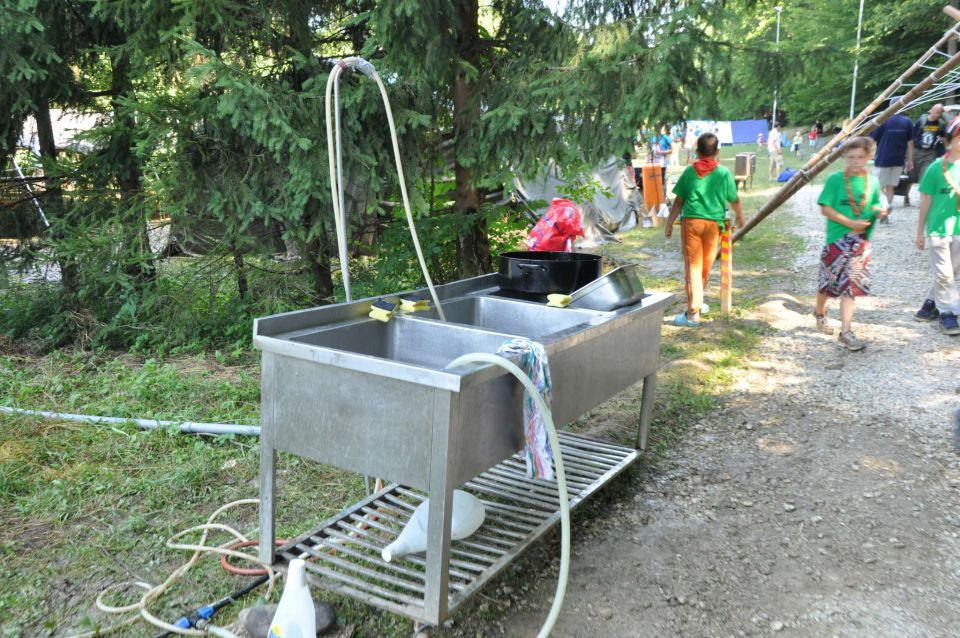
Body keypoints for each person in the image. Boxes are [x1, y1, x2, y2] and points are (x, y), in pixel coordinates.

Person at [813, 136, 887, 351]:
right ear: (844, 156)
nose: (855, 161)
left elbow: (874, 203)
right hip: (836, 240)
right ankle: (819, 311)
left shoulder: (872, 181)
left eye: (860, 157)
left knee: (851, 287)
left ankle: (846, 331)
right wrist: (849, 222)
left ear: (869, 157)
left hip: (860, 243)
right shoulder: (836, 179)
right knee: (827, 284)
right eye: (851, 157)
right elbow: (825, 208)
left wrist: (879, 211)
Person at [664, 132, 746, 327]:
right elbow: (734, 199)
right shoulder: (724, 173)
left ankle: (693, 312)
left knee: (693, 266)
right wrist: (740, 216)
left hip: (691, 223)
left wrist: (669, 223)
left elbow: (678, 201)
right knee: (704, 266)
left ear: (697, 151)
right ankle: (695, 305)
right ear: (717, 151)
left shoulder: (689, 171)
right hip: (713, 225)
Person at [914, 115, 960, 335]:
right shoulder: (935, 168)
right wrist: (920, 232)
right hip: (938, 229)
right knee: (945, 274)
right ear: (948, 141)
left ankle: (930, 305)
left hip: (959, 230)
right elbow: (925, 201)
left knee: (950, 272)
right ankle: (948, 314)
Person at [870, 97, 914, 219]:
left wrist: (870, 155)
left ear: (890, 106)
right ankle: (886, 213)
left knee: (877, 185)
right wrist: (909, 160)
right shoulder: (907, 122)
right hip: (899, 160)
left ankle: (884, 207)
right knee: (890, 187)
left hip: (883, 159)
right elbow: (910, 142)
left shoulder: (882, 121)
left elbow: (872, 140)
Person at [910, 103, 946, 205]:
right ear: (931, 111)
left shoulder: (940, 124)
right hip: (917, 150)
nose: (938, 115)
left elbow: (943, 138)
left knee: (924, 176)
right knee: (912, 176)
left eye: (940, 113)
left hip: (929, 153)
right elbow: (912, 137)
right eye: (936, 113)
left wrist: (943, 145)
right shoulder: (922, 121)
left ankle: (923, 202)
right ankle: (906, 196)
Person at [652, 126, 672, 192]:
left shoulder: (665, 137)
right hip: (653, 163)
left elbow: (671, 150)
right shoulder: (651, 137)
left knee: (662, 182)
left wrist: (661, 152)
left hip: (662, 164)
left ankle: (663, 198)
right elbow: (649, 151)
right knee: (653, 181)